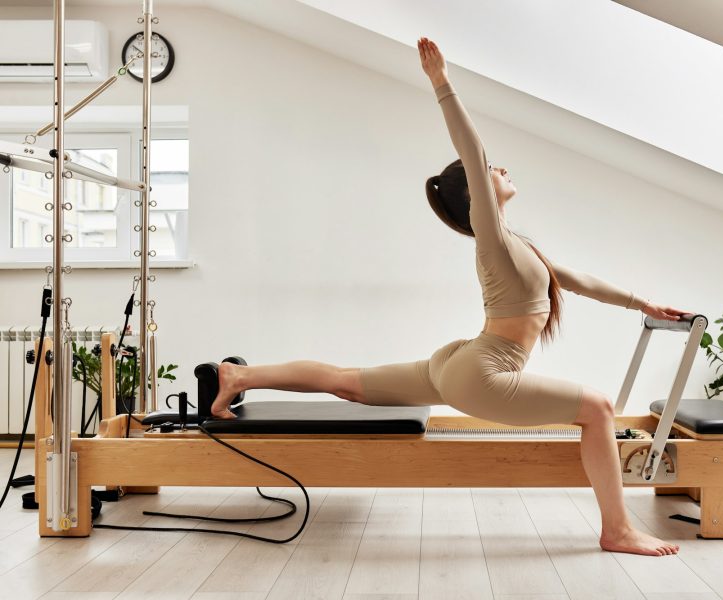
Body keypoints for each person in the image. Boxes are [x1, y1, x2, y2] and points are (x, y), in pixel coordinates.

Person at [210, 37, 690, 556]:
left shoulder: (516, 244)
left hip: (458, 362)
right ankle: (616, 529)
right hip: (481, 372)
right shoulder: (490, 233)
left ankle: (239, 376)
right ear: (477, 193)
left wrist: (641, 303)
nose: (502, 170)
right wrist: (442, 84)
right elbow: (473, 151)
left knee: (346, 382)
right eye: (493, 172)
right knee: (598, 408)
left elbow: (576, 280)